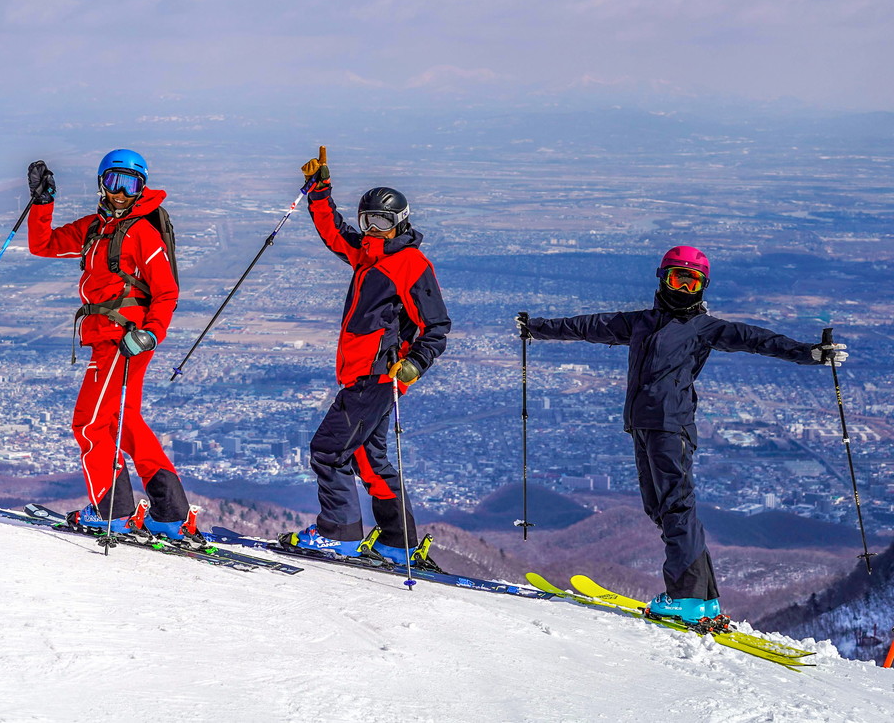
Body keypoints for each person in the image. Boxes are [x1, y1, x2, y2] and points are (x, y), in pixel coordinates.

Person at [517, 245, 848, 628]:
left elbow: (758, 339)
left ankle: (685, 597)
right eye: (679, 279)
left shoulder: (704, 328)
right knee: (662, 509)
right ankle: (703, 599)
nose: (685, 289)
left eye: (693, 283)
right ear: (663, 279)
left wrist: (809, 353)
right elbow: (588, 326)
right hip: (643, 426)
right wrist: (536, 327)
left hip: (671, 427)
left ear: (703, 288)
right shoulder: (640, 322)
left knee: (676, 506)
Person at [284, 146, 452, 565]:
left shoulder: (410, 264)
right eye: (367, 221)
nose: (373, 229)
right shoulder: (368, 254)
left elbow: (436, 326)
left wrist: (414, 364)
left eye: (382, 222)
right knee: (369, 458)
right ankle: (399, 542)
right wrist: (320, 191)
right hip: (362, 374)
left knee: (328, 449)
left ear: (401, 222)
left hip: (378, 376)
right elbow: (334, 233)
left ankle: (337, 533)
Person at [25, 148, 196, 541]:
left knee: (88, 423)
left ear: (141, 188)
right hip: (110, 336)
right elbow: (44, 244)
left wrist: (151, 332)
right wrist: (42, 203)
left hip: (124, 340)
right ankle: (170, 513)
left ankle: (111, 511)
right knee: (125, 422)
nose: (121, 193)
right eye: (115, 182)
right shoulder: (94, 227)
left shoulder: (142, 232)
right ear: (102, 183)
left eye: (130, 185)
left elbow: (167, 292)